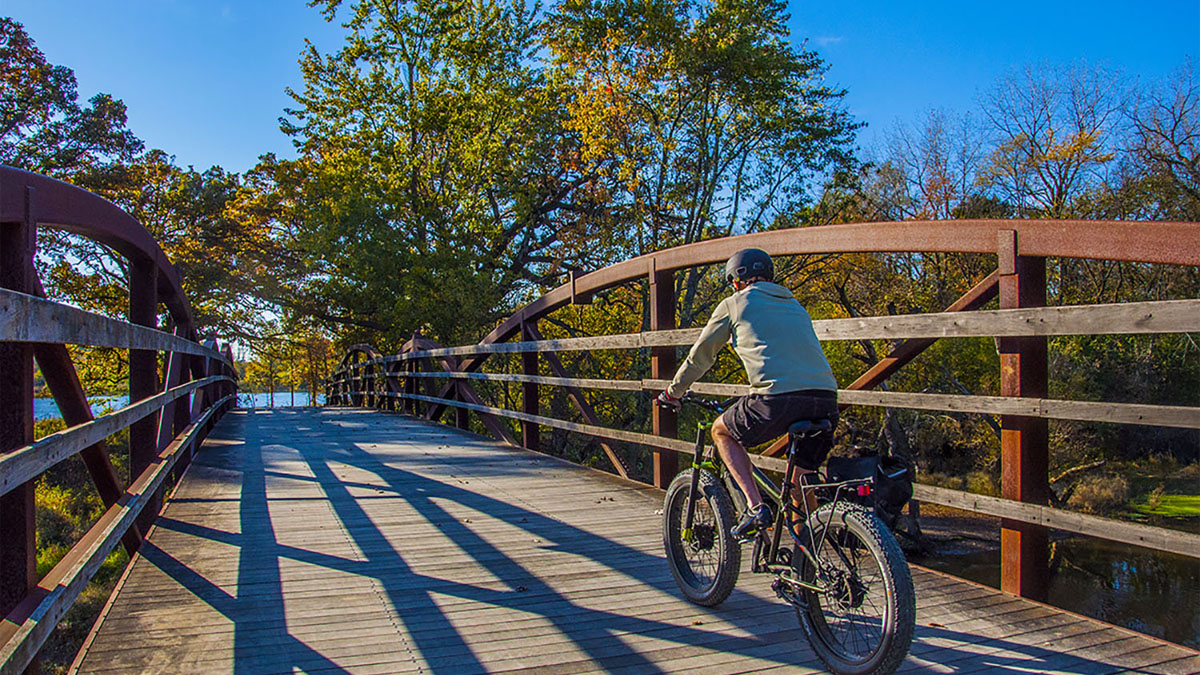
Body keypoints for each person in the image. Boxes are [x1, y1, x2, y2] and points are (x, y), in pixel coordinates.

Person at [657, 248, 838, 538]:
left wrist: (673, 392)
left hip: (778, 400)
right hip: (826, 400)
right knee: (799, 483)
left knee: (721, 432)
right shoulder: (795, 306)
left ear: (736, 281)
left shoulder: (735, 304)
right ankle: (806, 563)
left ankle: (755, 507)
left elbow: (700, 356)